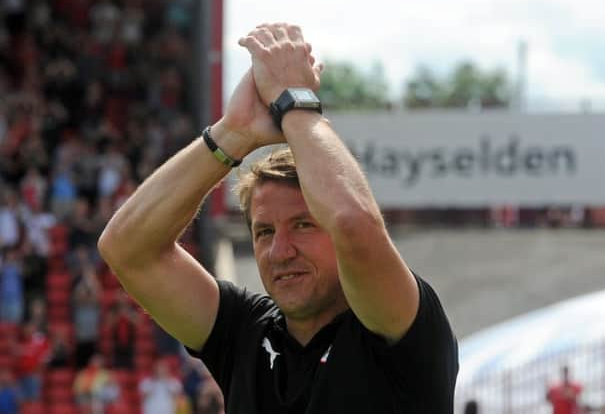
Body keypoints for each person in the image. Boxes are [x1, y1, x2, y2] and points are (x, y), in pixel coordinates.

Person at [98, 22, 458, 413]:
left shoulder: (397, 328)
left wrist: (297, 103)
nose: (279, 251)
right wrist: (231, 134)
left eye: (303, 225)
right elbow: (126, 248)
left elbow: (354, 223)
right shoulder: (244, 332)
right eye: (264, 231)